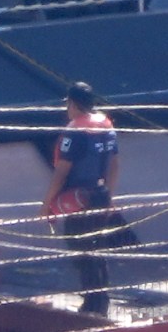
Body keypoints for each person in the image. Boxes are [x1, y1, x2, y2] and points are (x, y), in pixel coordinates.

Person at [40, 82, 120, 316]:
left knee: (81, 250)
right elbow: (115, 164)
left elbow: (61, 172)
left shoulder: (75, 131)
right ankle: (101, 301)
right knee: (97, 249)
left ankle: (92, 304)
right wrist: (109, 196)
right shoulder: (106, 125)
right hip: (100, 195)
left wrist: (47, 205)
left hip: (78, 200)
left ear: (73, 103)